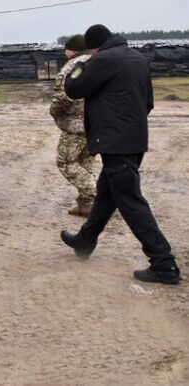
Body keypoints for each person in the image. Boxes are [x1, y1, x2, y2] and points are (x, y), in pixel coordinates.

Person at [60, 25, 181, 284]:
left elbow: (73, 88)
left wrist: (76, 67)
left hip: (115, 141)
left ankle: (163, 263)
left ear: (94, 47)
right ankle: (85, 240)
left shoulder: (103, 59)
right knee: (107, 192)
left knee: (129, 199)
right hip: (134, 138)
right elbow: (148, 101)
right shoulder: (137, 58)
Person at [49, 34, 96, 217]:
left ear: (72, 50)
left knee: (66, 162)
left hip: (75, 125)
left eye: (66, 49)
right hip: (95, 123)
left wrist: (54, 111)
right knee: (85, 164)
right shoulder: (97, 63)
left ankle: (99, 194)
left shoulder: (72, 66)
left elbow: (63, 96)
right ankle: (86, 205)